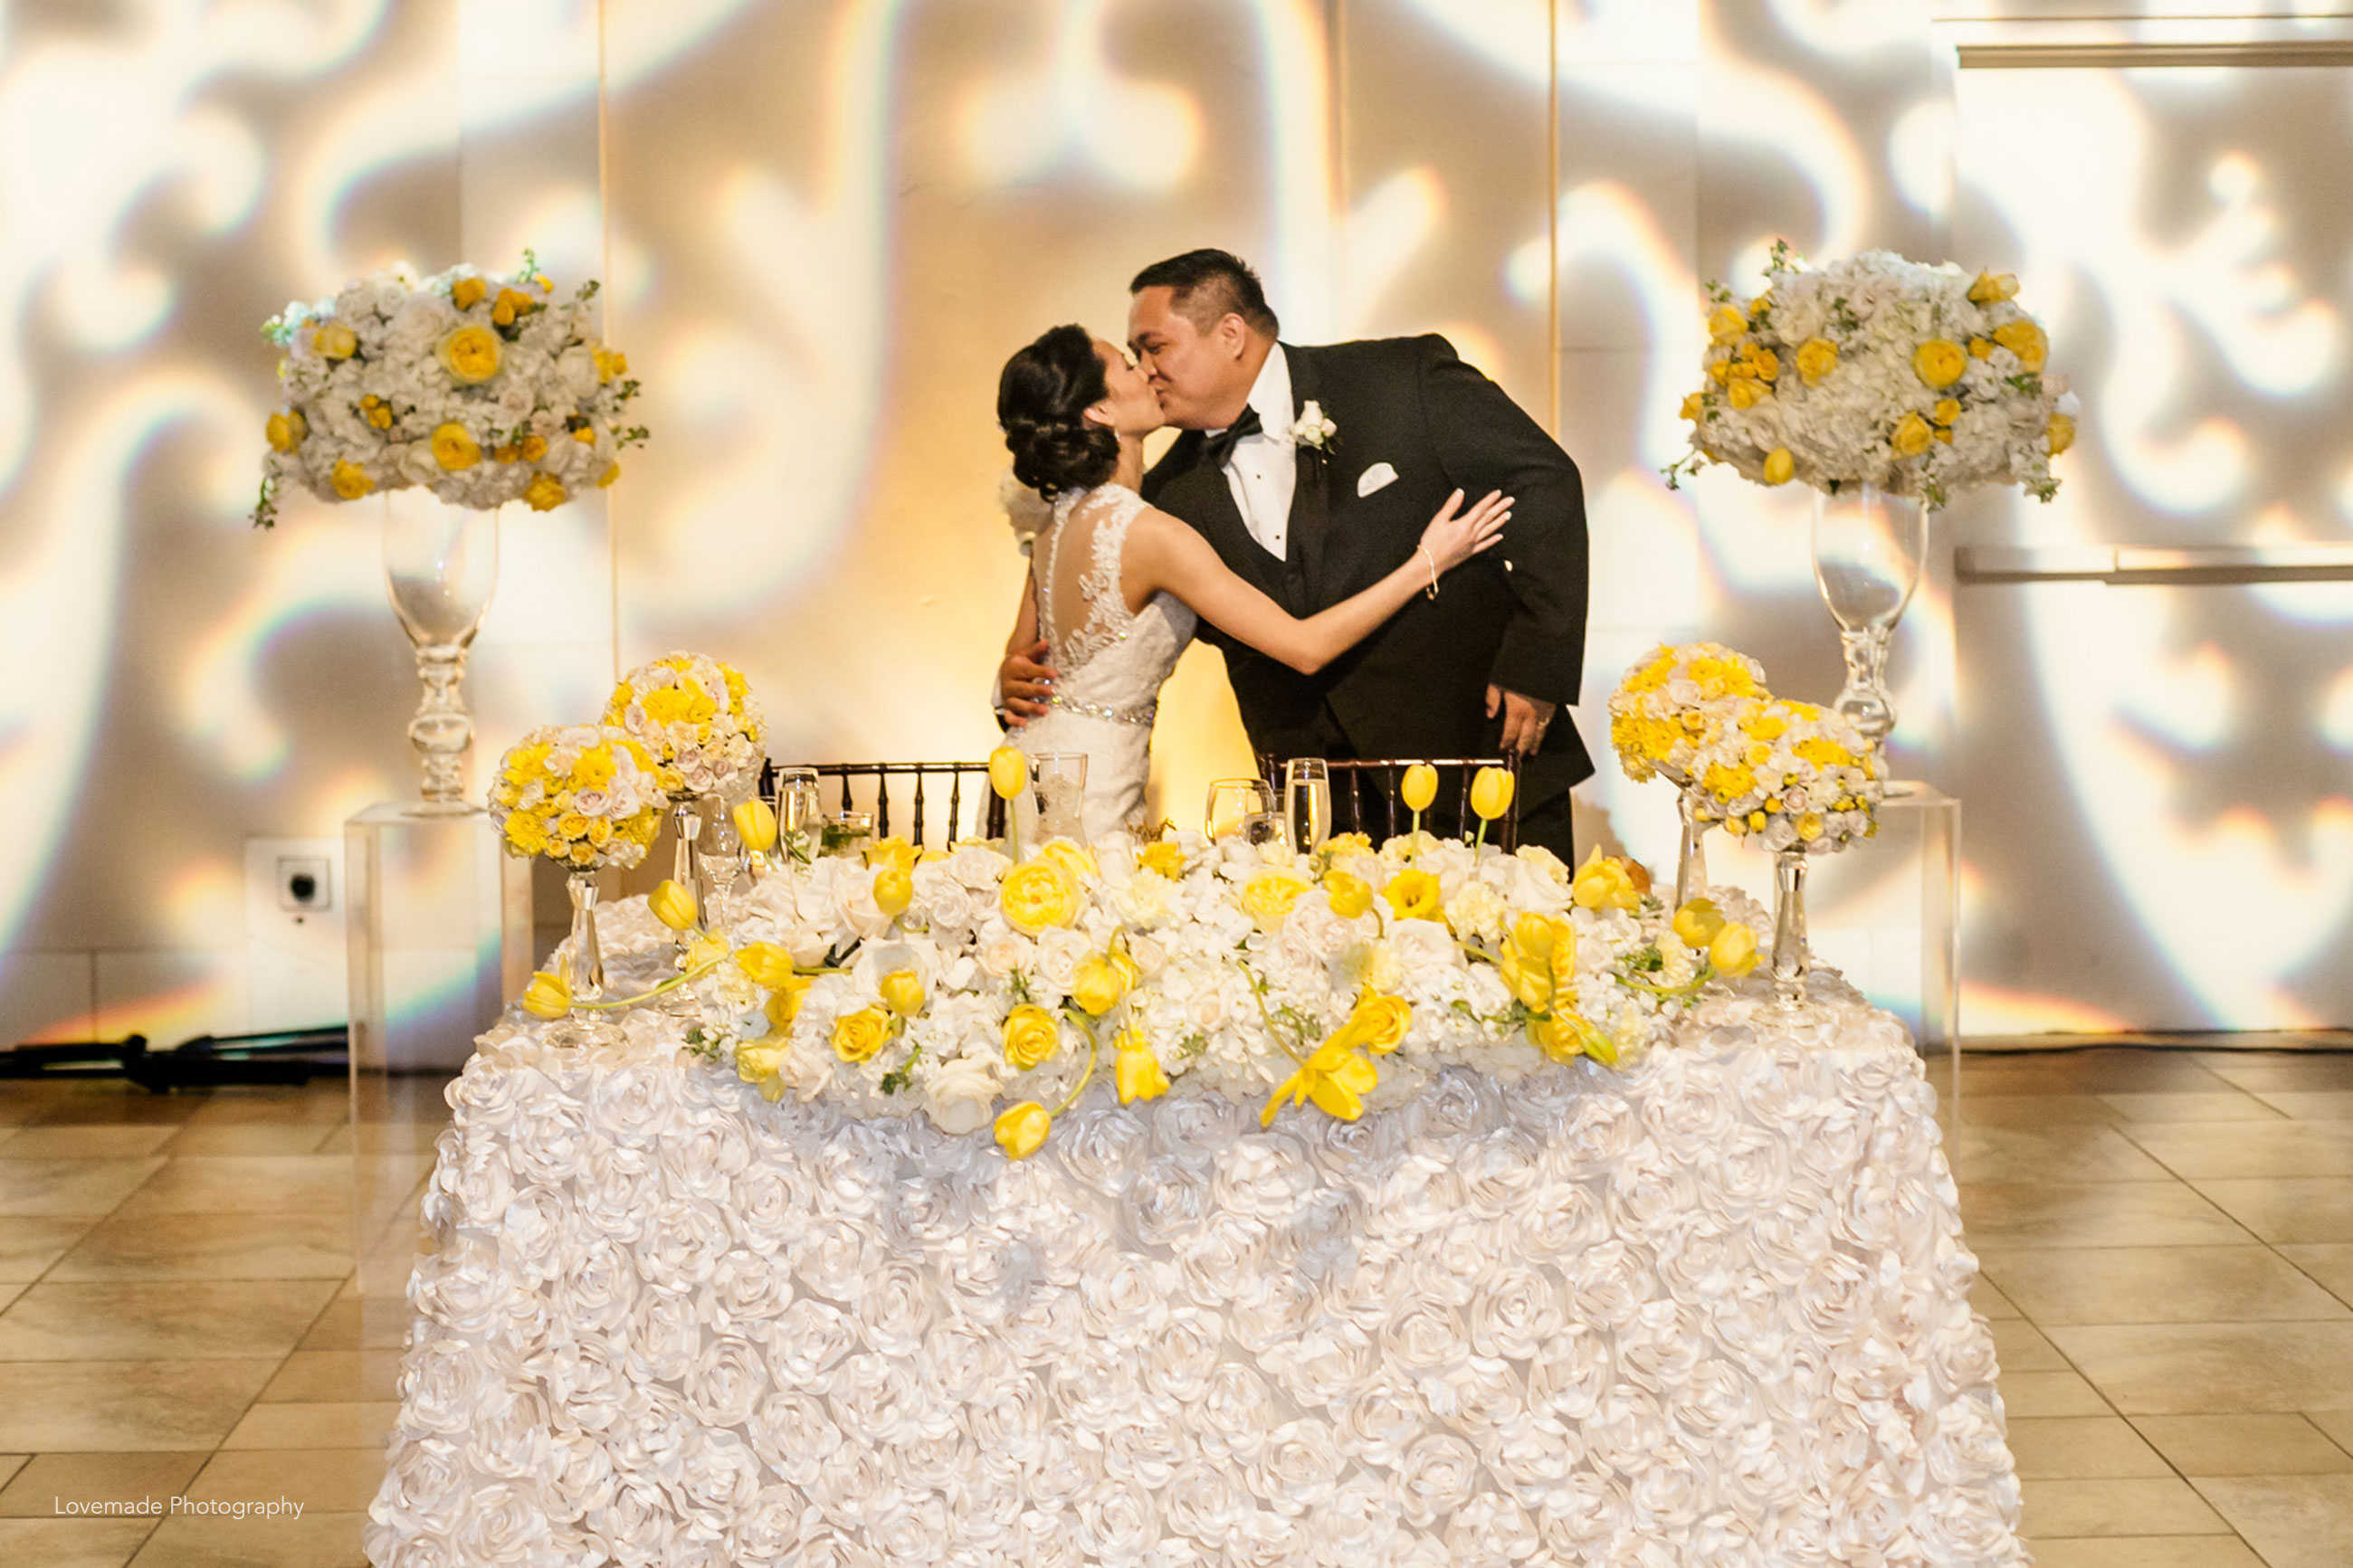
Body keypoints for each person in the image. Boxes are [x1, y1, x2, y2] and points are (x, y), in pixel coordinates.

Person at [998, 249, 1591, 860]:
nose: (1146, 370)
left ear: (1230, 333)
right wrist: (1015, 679)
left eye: (1155, 348)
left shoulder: (1397, 377)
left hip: (1476, 767)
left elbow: (1545, 480)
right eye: (1133, 357)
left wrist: (1536, 665)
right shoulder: (1161, 501)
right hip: (1318, 809)